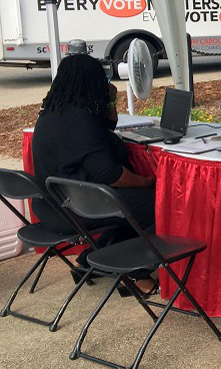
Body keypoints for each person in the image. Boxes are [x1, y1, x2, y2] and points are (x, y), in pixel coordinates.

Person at [31, 53, 158, 295]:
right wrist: (147, 181)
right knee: (152, 203)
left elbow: (105, 130)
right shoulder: (79, 120)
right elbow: (111, 175)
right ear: (91, 82)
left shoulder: (53, 112)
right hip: (73, 211)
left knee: (124, 204)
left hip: (50, 207)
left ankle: (88, 259)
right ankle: (135, 274)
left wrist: (109, 102)